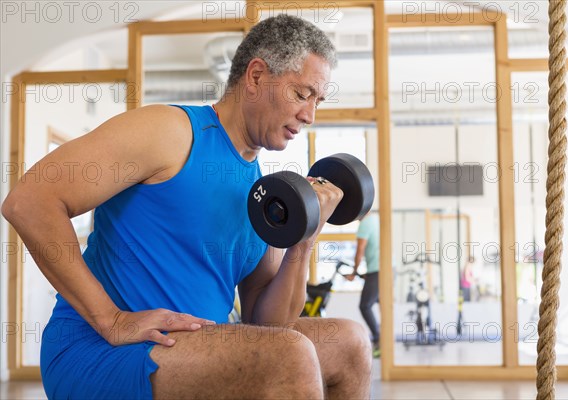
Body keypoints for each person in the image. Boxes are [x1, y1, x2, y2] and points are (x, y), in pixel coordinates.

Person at [1, 15, 372, 399]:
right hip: (102, 351)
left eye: (318, 100)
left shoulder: (266, 192)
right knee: (290, 355)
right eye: (302, 93)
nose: (310, 115)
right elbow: (30, 201)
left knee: (351, 343)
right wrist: (110, 319)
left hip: (189, 349)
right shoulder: (171, 131)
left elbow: (268, 323)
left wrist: (303, 239)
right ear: (257, 77)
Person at [346, 212, 380, 357]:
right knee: (381, 303)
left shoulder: (365, 223)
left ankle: (379, 340)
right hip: (387, 268)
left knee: (365, 306)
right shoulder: (376, 219)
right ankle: (384, 341)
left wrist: (354, 272)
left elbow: (360, 250)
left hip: (378, 270)